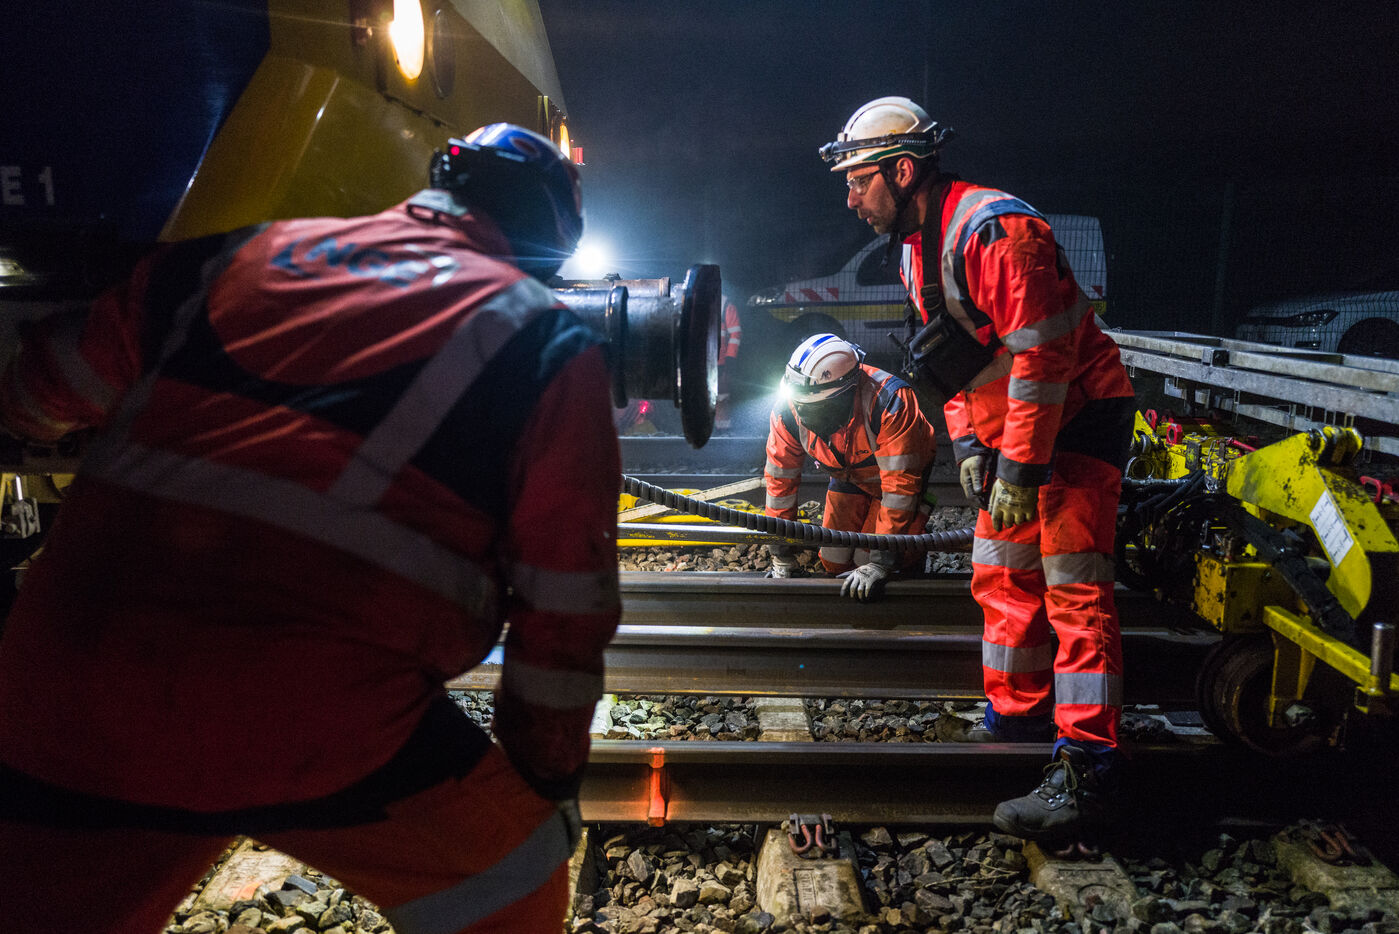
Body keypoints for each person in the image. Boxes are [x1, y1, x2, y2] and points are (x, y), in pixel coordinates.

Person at [0, 124, 621, 933]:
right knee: (514, 877)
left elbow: (45, 387)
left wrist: (43, 425)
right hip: (312, 718)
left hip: (67, 690)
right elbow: (564, 607)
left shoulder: (234, 256)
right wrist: (544, 778)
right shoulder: (546, 341)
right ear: (551, 236)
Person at [821, 97, 1135, 840]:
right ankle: (1018, 719)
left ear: (902, 172)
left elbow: (1043, 358)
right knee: (1000, 572)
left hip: (1077, 421)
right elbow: (954, 360)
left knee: (1073, 587)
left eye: (858, 181)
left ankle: (1088, 768)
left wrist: (1019, 470)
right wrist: (968, 443)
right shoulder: (916, 246)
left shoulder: (996, 231)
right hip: (1013, 435)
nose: (850, 199)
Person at [763, 332, 937, 602]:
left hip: (895, 485)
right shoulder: (787, 411)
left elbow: (899, 488)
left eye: (815, 407)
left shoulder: (889, 402)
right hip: (850, 476)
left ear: (845, 394)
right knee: (833, 560)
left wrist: (881, 562)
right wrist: (780, 552)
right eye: (800, 405)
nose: (804, 414)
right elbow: (779, 483)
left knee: (867, 559)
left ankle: (913, 550)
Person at [714, 292, 742, 429]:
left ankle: (722, 429)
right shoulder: (693, 300)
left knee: (721, 397)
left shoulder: (725, 304)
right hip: (703, 362)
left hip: (719, 362)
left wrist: (730, 358)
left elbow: (735, 333)